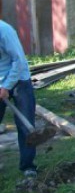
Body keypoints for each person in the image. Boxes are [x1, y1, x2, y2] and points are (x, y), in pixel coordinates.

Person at [0, 20, 38, 177]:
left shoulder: (5, 31)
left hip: (20, 80)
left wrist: (7, 86)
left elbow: (19, 61)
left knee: (25, 125)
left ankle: (28, 166)